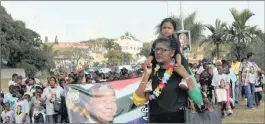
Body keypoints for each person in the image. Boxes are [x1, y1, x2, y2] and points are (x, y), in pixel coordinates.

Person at [132, 37, 202, 123]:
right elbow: (138, 100)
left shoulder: (182, 70)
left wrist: (186, 75)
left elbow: (198, 99)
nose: (158, 52)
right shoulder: (151, 71)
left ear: (172, 53)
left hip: (179, 120)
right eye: (156, 49)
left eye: (163, 50)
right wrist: (146, 74)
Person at [144, 18, 193, 89]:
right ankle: (150, 81)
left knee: (184, 61)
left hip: (175, 59)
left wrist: (178, 64)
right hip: (160, 61)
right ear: (161, 30)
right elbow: (152, 54)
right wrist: (148, 61)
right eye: (164, 28)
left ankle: (184, 79)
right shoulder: (156, 42)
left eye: (169, 28)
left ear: (174, 30)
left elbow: (178, 53)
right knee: (152, 64)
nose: (166, 30)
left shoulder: (175, 41)